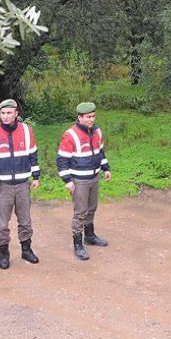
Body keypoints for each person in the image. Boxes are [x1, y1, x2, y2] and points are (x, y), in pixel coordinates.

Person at [0, 99, 41, 270]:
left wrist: (35, 176)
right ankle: (4, 253)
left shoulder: (27, 131)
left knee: (25, 220)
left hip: (23, 184)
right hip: (3, 185)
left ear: (16, 114)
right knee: (1, 223)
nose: (6, 116)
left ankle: (26, 249)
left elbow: (33, 156)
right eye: (2, 113)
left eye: (9, 113)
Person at [56, 102, 111, 261]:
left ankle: (90, 235)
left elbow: (100, 151)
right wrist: (67, 180)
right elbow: (62, 160)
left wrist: (105, 168)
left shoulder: (97, 131)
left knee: (92, 208)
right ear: (79, 117)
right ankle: (78, 245)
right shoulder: (70, 135)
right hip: (79, 180)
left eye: (93, 116)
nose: (91, 120)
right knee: (80, 211)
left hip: (94, 177)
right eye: (88, 117)